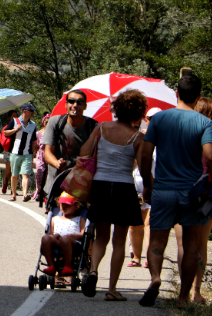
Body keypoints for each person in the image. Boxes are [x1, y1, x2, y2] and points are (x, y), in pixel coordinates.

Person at [138, 74, 212, 308]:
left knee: (157, 239)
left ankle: (155, 278)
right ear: (198, 97)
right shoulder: (204, 123)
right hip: (192, 193)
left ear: (176, 94)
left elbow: (145, 154)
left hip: (163, 190)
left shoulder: (160, 119)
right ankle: (183, 298)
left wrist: (147, 182)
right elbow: (211, 156)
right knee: (192, 245)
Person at [80, 90, 147, 300]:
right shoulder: (138, 137)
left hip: (100, 185)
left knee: (101, 238)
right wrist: (150, 190)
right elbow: (144, 170)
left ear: (117, 109)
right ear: (138, 111)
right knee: (119, 241)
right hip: (124, 188)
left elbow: (84, 152)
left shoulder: (101, 128)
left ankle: (92, 271)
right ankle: (112, 289)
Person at [172, 98, 212, 304]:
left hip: (182, 191)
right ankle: (196, 292)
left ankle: (182, 291)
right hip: (206, 195)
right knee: (200, 244)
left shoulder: (183, 137)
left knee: (182, 244)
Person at [42, 89, 98, 199]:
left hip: (80, 188)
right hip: (56, 184)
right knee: (56, 217)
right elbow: (47, 153)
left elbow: (96, 156)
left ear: (85, 106)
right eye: (71, 101)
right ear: (66, 105)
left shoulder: (93, 127)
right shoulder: (55, 122)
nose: (75, 105)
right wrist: (57, 163)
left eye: (80, 102)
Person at [128, 107, 161, 269]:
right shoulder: (139, 138)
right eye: (150, 118)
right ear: (146, 120)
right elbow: (131, 163)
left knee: (149, 223)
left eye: (157, 118)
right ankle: (136, 256)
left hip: (154, 187)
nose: (153, 121)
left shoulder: (165, 141)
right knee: (135, 224)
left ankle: (148, 257)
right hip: (135, 186)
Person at [41, 192, 87, 276]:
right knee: (45, 238)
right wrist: (53, 236)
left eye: (67, 204)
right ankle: (51, 266)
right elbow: (51, 234)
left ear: (76, 206)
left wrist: (71, 236)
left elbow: (83, 234)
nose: (64, 206)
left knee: (65, 239)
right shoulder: (55, 219)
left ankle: (67, 266)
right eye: (62, 204)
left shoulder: (80, 219)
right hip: (57, 242)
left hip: (73, 244)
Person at [4, 104, 38, 202]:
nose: (33, 113)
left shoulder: (33, 124)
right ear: (24, 111)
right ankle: (13, 194)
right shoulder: (15, 121)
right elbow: (5, 133)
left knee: (25, 174)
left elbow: (33, 140)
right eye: (31, 111)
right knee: (14, 175)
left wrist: (33, 154)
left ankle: (24, 195)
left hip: (27, 153)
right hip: (15, 153)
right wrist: (15, 129)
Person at [29, 114, 50, 202]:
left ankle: (45, 194)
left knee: (47, 176)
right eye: (46, 121)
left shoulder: (53, 134)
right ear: (43, 122)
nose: (47, 123)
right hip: (40, 156)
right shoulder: (38, 133)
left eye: (49, 122)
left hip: (49, 157)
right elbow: (35, 147)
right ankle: (39, 192)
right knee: (40, 174)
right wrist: (31, 159)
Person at [0, 109, 20, 194]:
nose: (15, 117)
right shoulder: (9, 128)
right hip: (9, 151)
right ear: (9, 117)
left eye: (16, 116)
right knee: (10, 170)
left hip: (13, 151)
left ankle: (11, 188)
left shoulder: (17, 127)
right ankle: (6, 185)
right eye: (13, 116)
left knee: (13, 170)